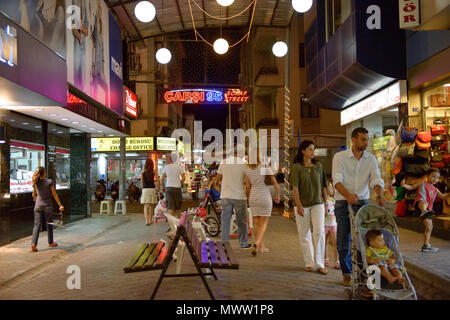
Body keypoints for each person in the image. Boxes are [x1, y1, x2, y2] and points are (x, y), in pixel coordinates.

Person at [332, 127, 386, 286]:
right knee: (344, 238)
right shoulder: (340, 157)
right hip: (343, 203)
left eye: (367, 139)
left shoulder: (370, 159)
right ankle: (347, 273)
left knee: (365, 239)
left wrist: (379, 193)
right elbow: (337, 180)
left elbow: (376, 179)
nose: (366, 143)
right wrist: (348, 196)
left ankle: (365, 275)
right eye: (363, 139)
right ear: (353, 139)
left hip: (363, 202)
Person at [290, 140, 328, 275]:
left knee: (319, 231)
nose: (313, 152)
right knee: (304, 233)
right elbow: (295, 187)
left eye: (314, 149)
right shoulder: (296, 167)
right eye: (310, 149)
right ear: (303, 151)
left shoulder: (318, 166)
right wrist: (298, 205)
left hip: (318, 203)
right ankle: (309, 262)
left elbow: (324, 185)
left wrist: (326, 203)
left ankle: (320, 263)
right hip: (302, 204)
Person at [245, 149, 280, 256]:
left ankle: (261, 247)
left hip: (253, 197)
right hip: (264, 196)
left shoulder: (247, 169)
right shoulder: (264, 166)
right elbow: (274, 182)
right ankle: (257, 243)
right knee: (263, 222)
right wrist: (278, 194)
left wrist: (248, 198)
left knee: (256, 223)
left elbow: (247, 187)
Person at [217, 145, 251, 249]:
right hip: (240, 196)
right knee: (242, 221)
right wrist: (248, 196)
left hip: (226, 196)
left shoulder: (224, 162)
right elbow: (247, 183)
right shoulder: (244, 164)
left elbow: (218, 178)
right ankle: (243, 243)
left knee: (225, 220)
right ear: (241, 153)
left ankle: (225, 243)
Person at [414, 168, 450, 252]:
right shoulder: (423, 184)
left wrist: (448, 194)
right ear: (427, 176)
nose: (435, 179)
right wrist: (404, 185)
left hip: (428, 210)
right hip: (421, 205)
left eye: (437, 177)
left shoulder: (435, 189)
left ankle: (426, 245)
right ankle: (423, 211)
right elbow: (411, 187)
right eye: (433, 176)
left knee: (429, 227)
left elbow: (443, 197)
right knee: (424, 204)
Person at [30, 167, 64, 253]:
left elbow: (34, 195)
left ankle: (33, 244)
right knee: (49, 224)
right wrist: (60, 204)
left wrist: (36, 196)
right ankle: (50, 242)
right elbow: (54, 194)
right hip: (47, 206)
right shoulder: (49, 182)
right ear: (44, 172)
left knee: (37, 225)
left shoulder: (36, 182)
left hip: (38, 205)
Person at [160, 152, 185, 218]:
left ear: (170, 159)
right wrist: (179, 182)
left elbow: (162, 179)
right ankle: (178, 224)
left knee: (170, 207)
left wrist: (162, 188)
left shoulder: (166, 167)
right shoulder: (180, 167)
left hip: (168, 188)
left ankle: (171, 224)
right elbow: (183, 178)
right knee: (178, 207)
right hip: (177, 188)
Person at [324, 181, 340, 270]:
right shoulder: (323, 200)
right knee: (325, 242)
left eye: (332, 187)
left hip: (333, 223)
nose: (332, 189)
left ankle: (337, 260)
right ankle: (325, 258)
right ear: (325, 189)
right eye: (330, 187)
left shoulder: (334, 200)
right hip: (325, 224)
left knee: (335, 242)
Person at [141, 159, 158, 226]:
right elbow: (157, 181)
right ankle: (150, 220)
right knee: (151, 206)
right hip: (152, 189)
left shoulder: (143, 172)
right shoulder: (154, 171)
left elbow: (142, 182)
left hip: (145, 189)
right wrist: (157, 188)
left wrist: (143, 189)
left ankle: (147, 221)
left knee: (146, 205)